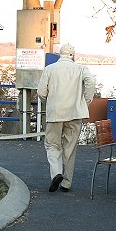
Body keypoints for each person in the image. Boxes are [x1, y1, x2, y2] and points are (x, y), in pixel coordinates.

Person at [37, 43, 96, 192]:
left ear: (59, 54)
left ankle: (56, 173)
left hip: (55, 114)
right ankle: (67, 183)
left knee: (52, 144)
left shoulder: (49, 69)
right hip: (75, 113)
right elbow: (91, 82)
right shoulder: (81, 69)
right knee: (70, 147)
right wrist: (85, 101)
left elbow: (41, 92)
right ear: (73, 55)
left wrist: (49, 102)